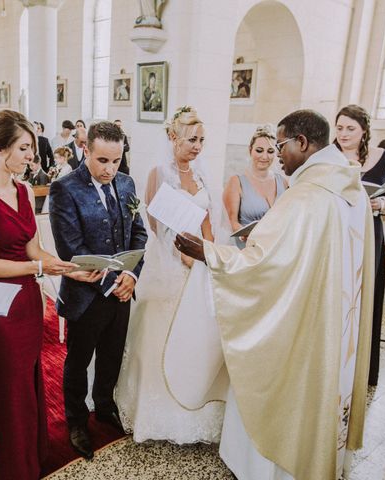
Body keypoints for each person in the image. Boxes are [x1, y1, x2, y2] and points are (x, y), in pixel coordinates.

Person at [176, 109, 374, 480]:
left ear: (302, 142)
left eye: (281, 145)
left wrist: (208, 253)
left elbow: (261, 266)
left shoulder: (308, 195)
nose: (278, 154)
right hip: (336, 324)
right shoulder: (351, 188)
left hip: (305, 326)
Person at [0, 109, 82, 479]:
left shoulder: (24, 190)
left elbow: (33, 249)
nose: (32, 156)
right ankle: (15, 467)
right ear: (0, 148)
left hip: (28, 301)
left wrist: (66, 265)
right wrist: (39, 269)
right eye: (25, 147)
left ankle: (32, 453)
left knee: (29, 380)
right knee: (9, 388)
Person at [115, 106, 227, 444]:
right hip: (169, 262)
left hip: (199, 261)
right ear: (172, 137)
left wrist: (209, 252)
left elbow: (208, 220)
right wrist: (179, 254)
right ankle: (156, 411)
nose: (197, 146)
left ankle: (196, 401)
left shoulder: (203, 175)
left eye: (202, 140)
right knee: (160, 332)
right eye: (192, 139)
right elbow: (152, 223)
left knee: (196, 332)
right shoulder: (158, 173)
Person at [49, 121, 148, 460]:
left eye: (116, 160)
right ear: (86, 150)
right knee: (78, 361)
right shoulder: (65, 188)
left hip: (122, 291)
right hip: (85, 297)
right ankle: (76, 421)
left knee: (112, 354)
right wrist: (112, 281)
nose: (110, 169)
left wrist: (131, 277)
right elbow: (69, 248)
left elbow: (139, 234)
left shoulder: (127, 182)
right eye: (102, 160)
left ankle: (104, 406)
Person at [334, 104, 385, 386]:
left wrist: (384, 204)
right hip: (337, 233)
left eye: (350, 128)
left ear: (364, 131)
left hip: (369, 233)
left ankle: (360, 368)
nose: (343, 134)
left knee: (363, 296)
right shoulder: (329, 158)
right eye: (339, 128)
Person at [223, 125, 287, 248]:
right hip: (247, 249)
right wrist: (252, 238)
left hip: (274, 249)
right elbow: (233, 222)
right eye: (259, 150)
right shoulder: (236, 182)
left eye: (270, 151)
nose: (264, 156)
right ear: (250, 150)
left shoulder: (283, 182)